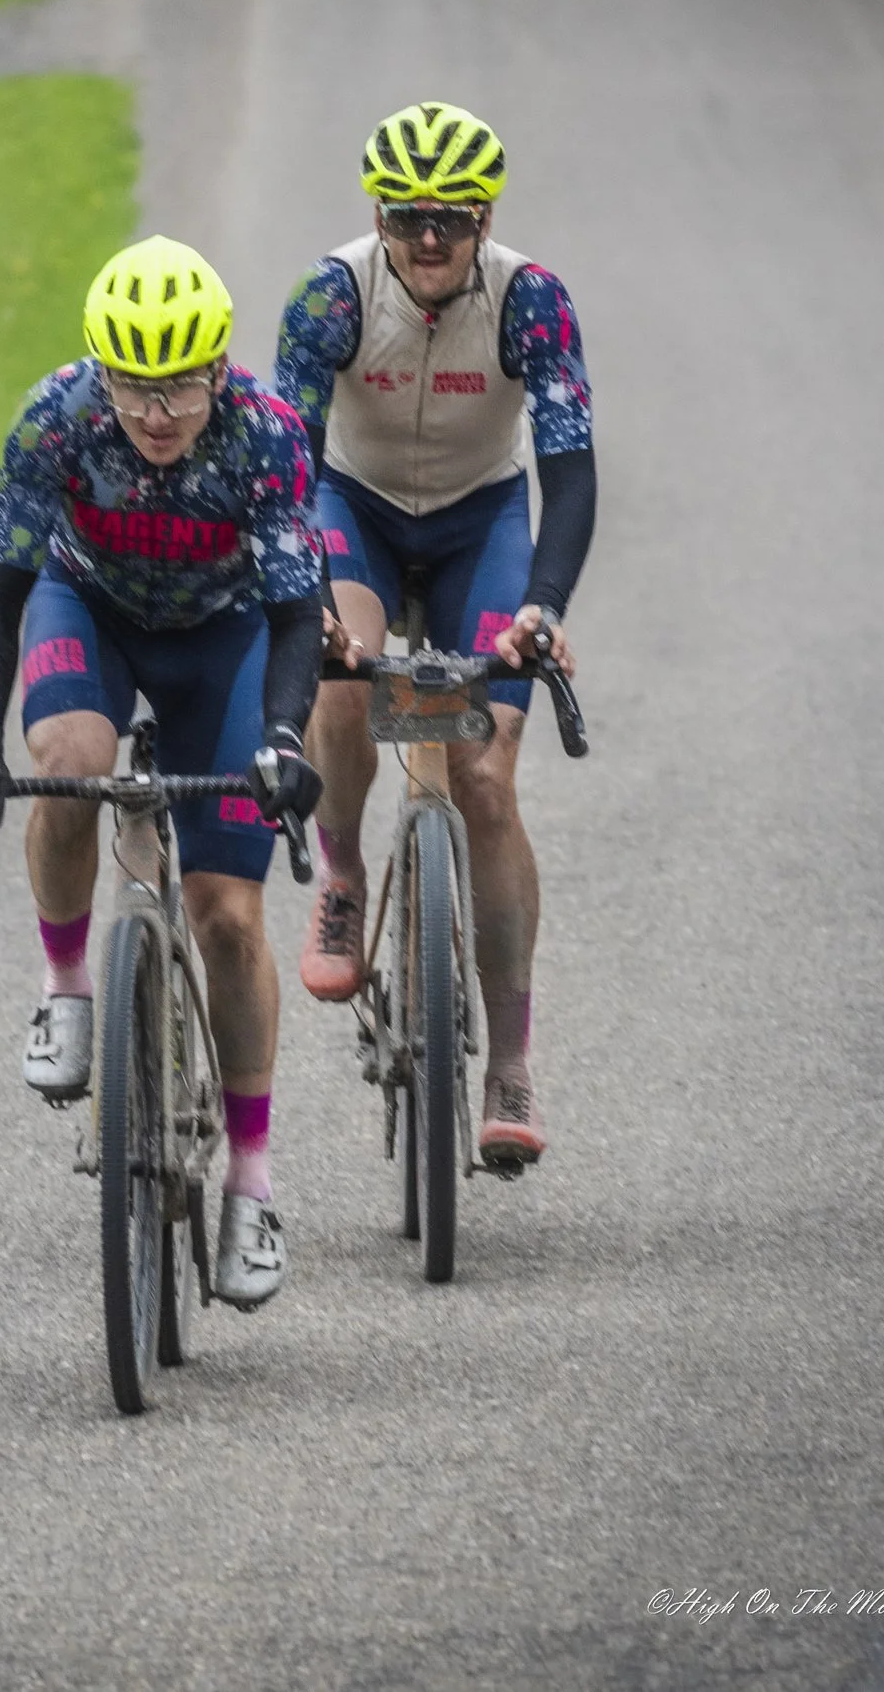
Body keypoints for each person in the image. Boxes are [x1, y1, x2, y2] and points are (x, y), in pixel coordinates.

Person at [0, 237, 325, 1310]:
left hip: (227, 634)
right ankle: (67, 988)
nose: (155, 412)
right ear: (98, 369)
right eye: (132, 385)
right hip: (92, 605)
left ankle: (250, 1179)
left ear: (218, 368)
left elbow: (298, 614)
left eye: (179, 385)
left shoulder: (266, 435)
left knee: (228, 915)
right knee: (67, 764)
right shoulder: (54, 416)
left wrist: (285, 738)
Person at [274, 102, 595, 1168]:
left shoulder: (529, 300)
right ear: (377, 213)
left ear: (483, 218)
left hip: (478, 524)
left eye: (449, 223)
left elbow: (571, 474)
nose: (425, 241)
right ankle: (344, 872)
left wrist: (542, 606)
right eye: (406, 218)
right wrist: (303, 601)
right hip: (352, 508)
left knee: (486, 778)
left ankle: (508, 1066)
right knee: (332, 677)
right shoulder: (331, 293)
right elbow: (283, 462)